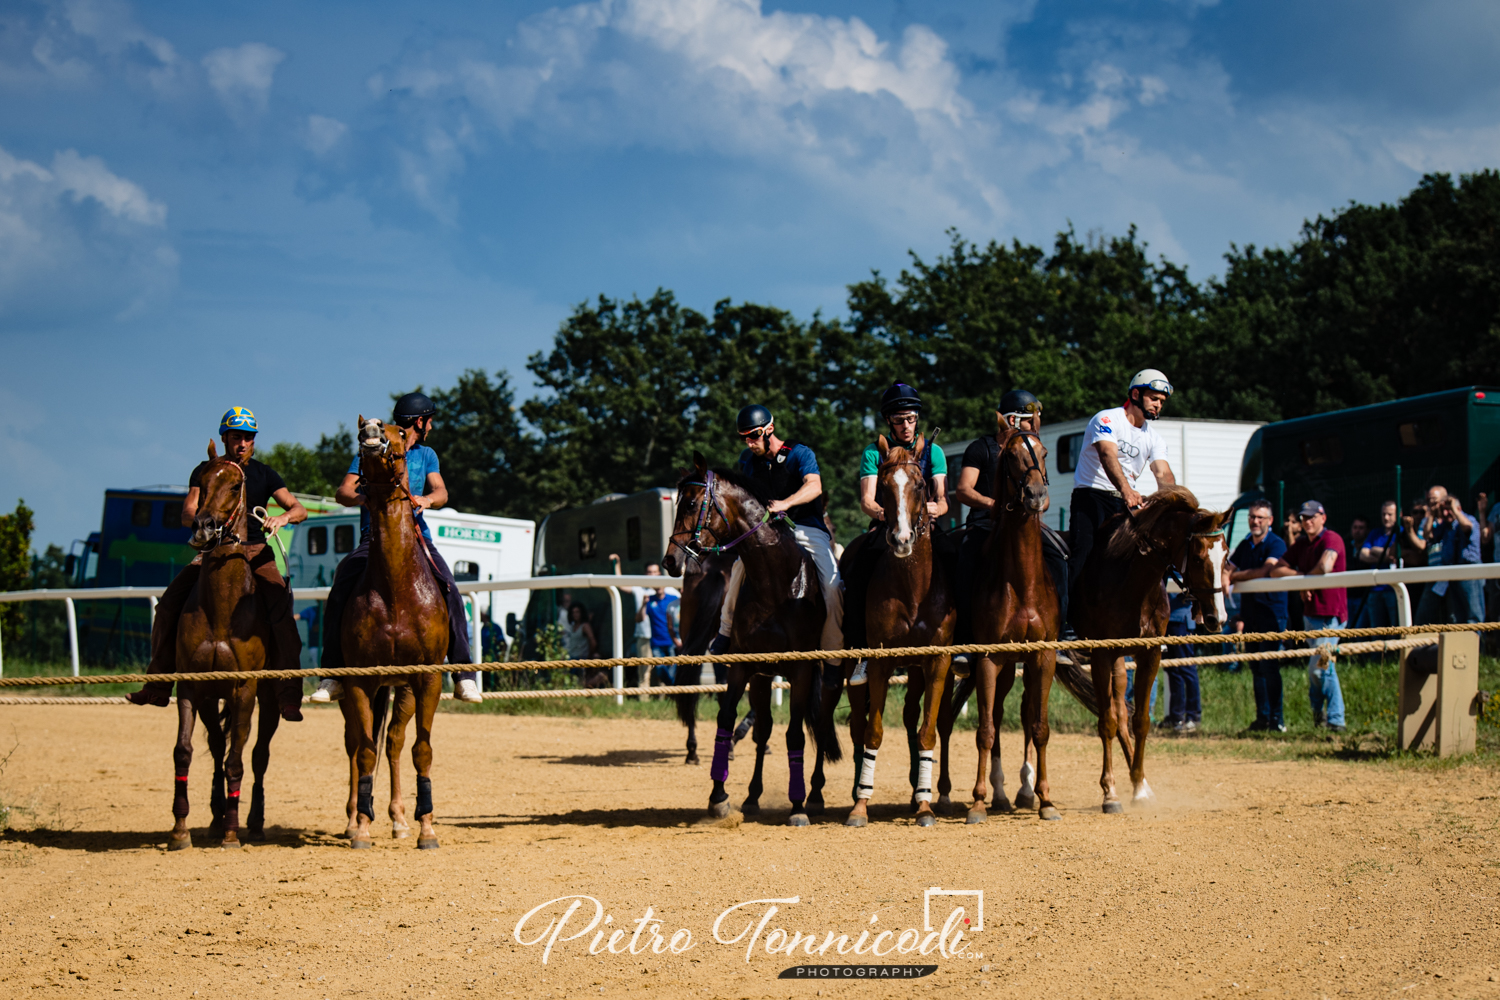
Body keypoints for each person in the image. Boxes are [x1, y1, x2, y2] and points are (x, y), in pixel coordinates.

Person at [128, 407, 309, 720]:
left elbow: (298, 508)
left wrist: (282, 518)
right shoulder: (205, 470)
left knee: (281, 608)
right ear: (225, 438)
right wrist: (198, 522)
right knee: (168, 604)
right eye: (236, 436)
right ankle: (157, 684)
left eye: (248, 438)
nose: (242, 443)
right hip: (211, 552)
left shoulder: (265, 474)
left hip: (255, 551)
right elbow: (189, 509)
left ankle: (289, 693)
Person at [310, 392, 481, 704]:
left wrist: (426, 500)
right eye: (430, 421)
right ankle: (332, 673)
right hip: (372, 540)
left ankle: (463, 675)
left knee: (450, 587)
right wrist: (365, 498)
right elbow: (343, 491)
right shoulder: (370, 451)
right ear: (420, 421)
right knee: (341, 587)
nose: (431, 427)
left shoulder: (427, 455)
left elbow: (440, 491)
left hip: (418, 538)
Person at [711, 403, 843, 665]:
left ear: (769, 429)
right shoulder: (747, 461)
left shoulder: (800, 453)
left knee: (833, 585)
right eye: (744, 437)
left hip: (806, 527)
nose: (749, 443)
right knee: (738, 568)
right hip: (768, 531)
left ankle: (832, 654)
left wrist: (785, 504)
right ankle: (725, 633)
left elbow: (814, 486)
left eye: (754, 435)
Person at [841, 383, 949, 671]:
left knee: (957, 561)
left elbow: (943, 501)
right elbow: (866, 500)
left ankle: (962, 645)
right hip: (886, 528)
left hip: (927, 531)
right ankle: (859, 650)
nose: (907, 426)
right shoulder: (873, 453)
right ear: (889, 421)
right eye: (900, 420)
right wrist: (889, 516)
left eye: (911, 419)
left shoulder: (933, 452)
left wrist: (925, 510)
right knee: (857, 568)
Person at [952, 389, 1070, 649]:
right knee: (965, 562)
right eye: (1029, 420)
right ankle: (963, 640)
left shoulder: (1034, 449)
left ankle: (1062, 634)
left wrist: (1040, 503)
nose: (1035, 425)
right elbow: (964, 489)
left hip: (1025, 525)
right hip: (985, 522)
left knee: (1059, 557)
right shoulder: (980, 448)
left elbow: (1044, 493)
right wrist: (995, 505)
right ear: (1012, 420)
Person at [1066, 369, 1177, 625]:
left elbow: (1163, 473)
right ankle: (1067, 623)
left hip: (1125, 501)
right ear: (1136, 394)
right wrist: (1128, 491)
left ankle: (1148, 618)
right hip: (1091, 497)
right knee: (1082, 554)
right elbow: (1107, 455)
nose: (1159, 405)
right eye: (1154, 398)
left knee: (1157, 554)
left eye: (1162, 401)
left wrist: (1172, 504)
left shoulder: (1154, 438)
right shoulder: (1106, 419)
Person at [1272, 501, 1347, 732]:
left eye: (1312, 517)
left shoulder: (1332, 538)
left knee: (1322, 668)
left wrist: (1304, 579)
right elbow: (1276, 570)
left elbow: (1326, 565)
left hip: (1331, 616)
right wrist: (1304, 578)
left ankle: (1336, 720)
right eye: (1304, 518)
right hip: (1311, 615)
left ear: (1323, 517)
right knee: (1315, 671)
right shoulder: (1302, 544)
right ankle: (1319, 716)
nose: (1308, 521)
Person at [1226, 500, 1289, 732]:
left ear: (1270, 521)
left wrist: (1234, 577)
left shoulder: (1276, 543)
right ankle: (1262, 719)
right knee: (1255, 666)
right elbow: (1229, 566)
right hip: (1251, 615)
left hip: (1272, 614)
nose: (1255, 521)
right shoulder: (1245, 543)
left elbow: (1266, 571)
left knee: (1270, 667)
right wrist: (1227, 575)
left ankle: (1277, 720)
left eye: (1260, 517)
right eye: (1252, 517)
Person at [1406, 486, 1483, 625]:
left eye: (1449, 509)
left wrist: (1454, 508)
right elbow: (1428, 535)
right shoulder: (1447, 527)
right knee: (1457, 619)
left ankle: (1479, 646)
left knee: (1473, 616)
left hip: (1469, 573)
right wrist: (1433, 515)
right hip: (1451, 574)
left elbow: (1467, 527)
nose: (1446, 513)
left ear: (1457, 509)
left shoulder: (1467, 520)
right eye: (1444, 510)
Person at [1352, 500, 1400, 630]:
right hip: (1374, 590)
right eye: (1383, 514)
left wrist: (1374, 550)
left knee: (1395, 630)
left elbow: (1394, 555)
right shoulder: (1375, 533)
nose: (1386, 517)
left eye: (1390, 514)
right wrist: (1386, 556)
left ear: (1398, 514)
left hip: (1394, 590)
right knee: (1376, 631)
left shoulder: (1401, 532)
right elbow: (1362, 554)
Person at [1161, 591, 1200, 733]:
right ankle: (1176, 716)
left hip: (1180, 619)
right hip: (1165, 619)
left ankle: (1193, 716)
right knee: (1173, 671)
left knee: (1186, 669)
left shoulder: (1183, 568)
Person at [637, 576, 682, 686]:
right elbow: (639, 619)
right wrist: (643, 604)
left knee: (672, 673)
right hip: (656, 643)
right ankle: (673, 692)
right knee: (660, 670)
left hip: (672, 641)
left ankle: (673, 693)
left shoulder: (673, 599)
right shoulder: (649, 600)